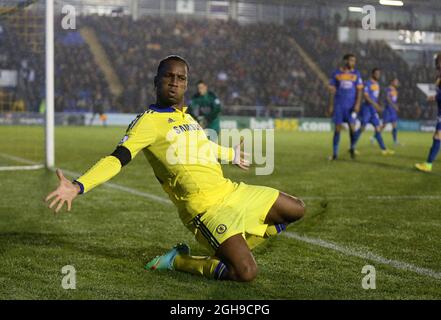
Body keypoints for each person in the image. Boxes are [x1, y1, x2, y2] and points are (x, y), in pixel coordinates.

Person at [45, 55, 305, 282]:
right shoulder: (147, 123)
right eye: (168, 76)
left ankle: (227, 246)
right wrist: (79, 186)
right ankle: (179, 260)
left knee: (296, 209)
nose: (174, 82)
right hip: (205, 209)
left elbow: (204, 147)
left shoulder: (187, 117)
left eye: (180, 78)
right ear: (156, 81)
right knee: (246, 272)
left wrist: (231, 155)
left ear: (186, 84)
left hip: (231, 192)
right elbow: (117, 159)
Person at [327, 53, 363, 160]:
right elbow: (332, 91)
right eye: (351, 60)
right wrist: (331, 105)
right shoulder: (336, 73)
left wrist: (357, 104)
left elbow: (359, 90)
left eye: (354, 61)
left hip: (351, 106)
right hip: (339, 105)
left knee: (352, 128)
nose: (353, 63)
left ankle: (352, 148)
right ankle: (335, 154)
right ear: (345, 61)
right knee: (337, 129)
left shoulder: (356, 74)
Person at [352, 68, 394, 155]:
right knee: (362, 128)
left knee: (378, 128)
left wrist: (376, 105)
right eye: (376, 74)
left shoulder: (377, 84)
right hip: (367, 108)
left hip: (373, 109)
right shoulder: (368, 83)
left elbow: (374, 97)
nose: (378, 75)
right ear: (372, 74)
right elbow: (366, 97)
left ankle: (384, 149)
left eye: (379, 74)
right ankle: (352, 146)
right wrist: (375, 105)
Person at [415, 52, 441, 173]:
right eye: (436, 61)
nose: (437, 63)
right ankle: (428, 164)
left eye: (439, 60)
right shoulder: (439, 77)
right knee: (437, 135)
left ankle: (428, 164)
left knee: (437, 135)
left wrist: (436, 96)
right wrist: (434, 97)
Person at [377, 78, 400, 145]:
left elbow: (394, 100)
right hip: (388, 110)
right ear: (392, 82)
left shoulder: (395, 90)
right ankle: (374, 137)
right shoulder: (388, 89)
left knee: (394, 125)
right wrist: (394, 106)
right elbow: (388, 98)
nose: (397, 83)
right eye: (396, 82)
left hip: (393, 111)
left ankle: (395, 141)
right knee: (384, 125)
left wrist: (396, 106)